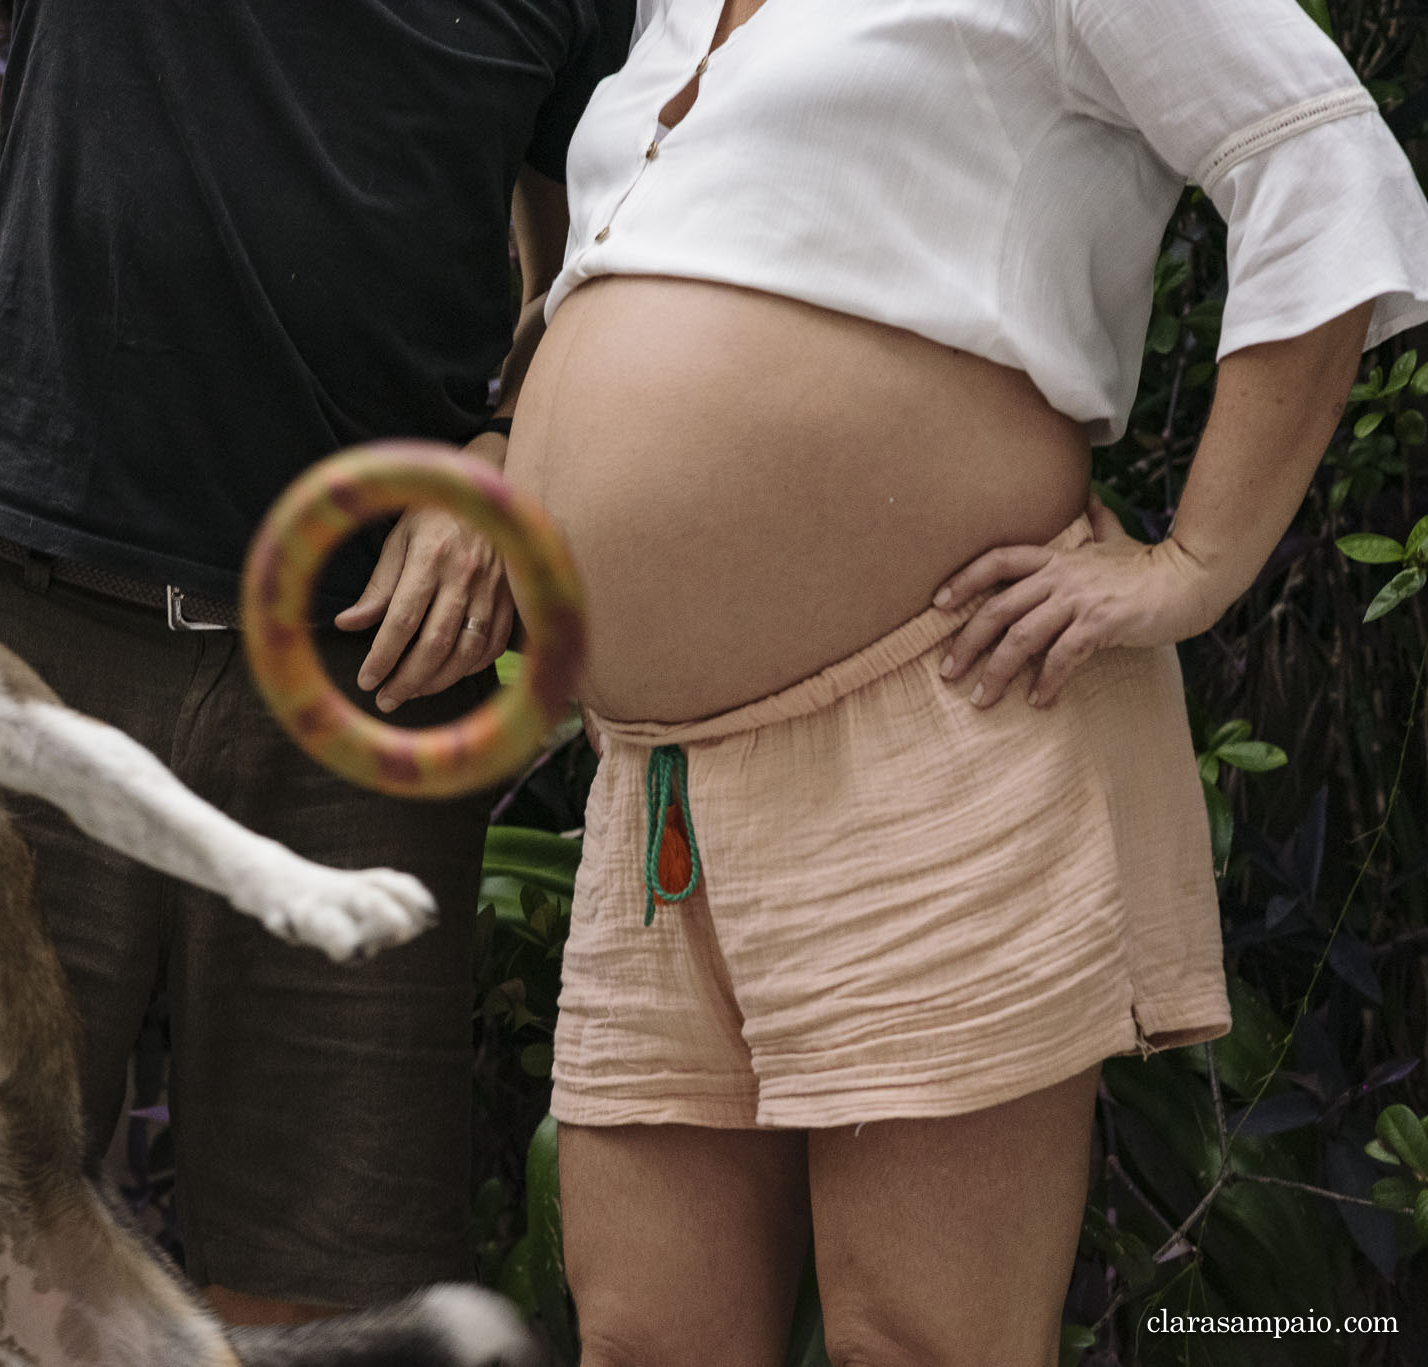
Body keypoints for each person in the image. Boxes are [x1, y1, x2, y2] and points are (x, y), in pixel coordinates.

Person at [501, 0, 1428, 1362]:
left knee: (923, 1342)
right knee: (647, 1338)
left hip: (934, 719)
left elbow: (1322, 156)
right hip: (658, 780)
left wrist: (1201, 562)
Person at [0, 0, 630, 1325]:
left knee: (326, 1285)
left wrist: (511, 446)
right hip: (30, 630)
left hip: (364, 682)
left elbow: (602, 230)